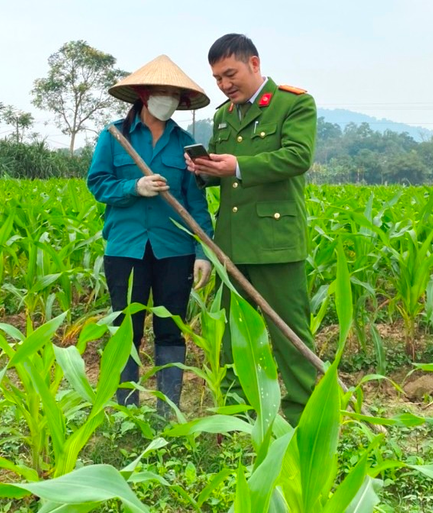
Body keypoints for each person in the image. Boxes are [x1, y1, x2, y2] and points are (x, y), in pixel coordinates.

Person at [185, 34, 317, 425]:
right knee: (233, 336)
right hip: (231, 245)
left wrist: (237, 166)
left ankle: (303, 416)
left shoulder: (293, 104)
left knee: (290, 335)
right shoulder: (225, 115)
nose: (225, 85)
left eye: (230, 74)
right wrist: (205, 171)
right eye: (217, 79)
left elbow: (297, 157)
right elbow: (225, 175)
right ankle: (240, 414)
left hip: (276, 244)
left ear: (254, 64)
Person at [88, 55, 214, 415]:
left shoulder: (186, 144)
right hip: (126, 247)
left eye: (175, 95)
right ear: (144, 94)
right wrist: (134, 186)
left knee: (170, 328)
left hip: (174, 250)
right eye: (162, 92)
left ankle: (167, 410)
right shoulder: (114, 136)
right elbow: (98, 184)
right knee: (126, 326)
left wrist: (202, 250)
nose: (168, 100)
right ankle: (126, 408)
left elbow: (196, 201)